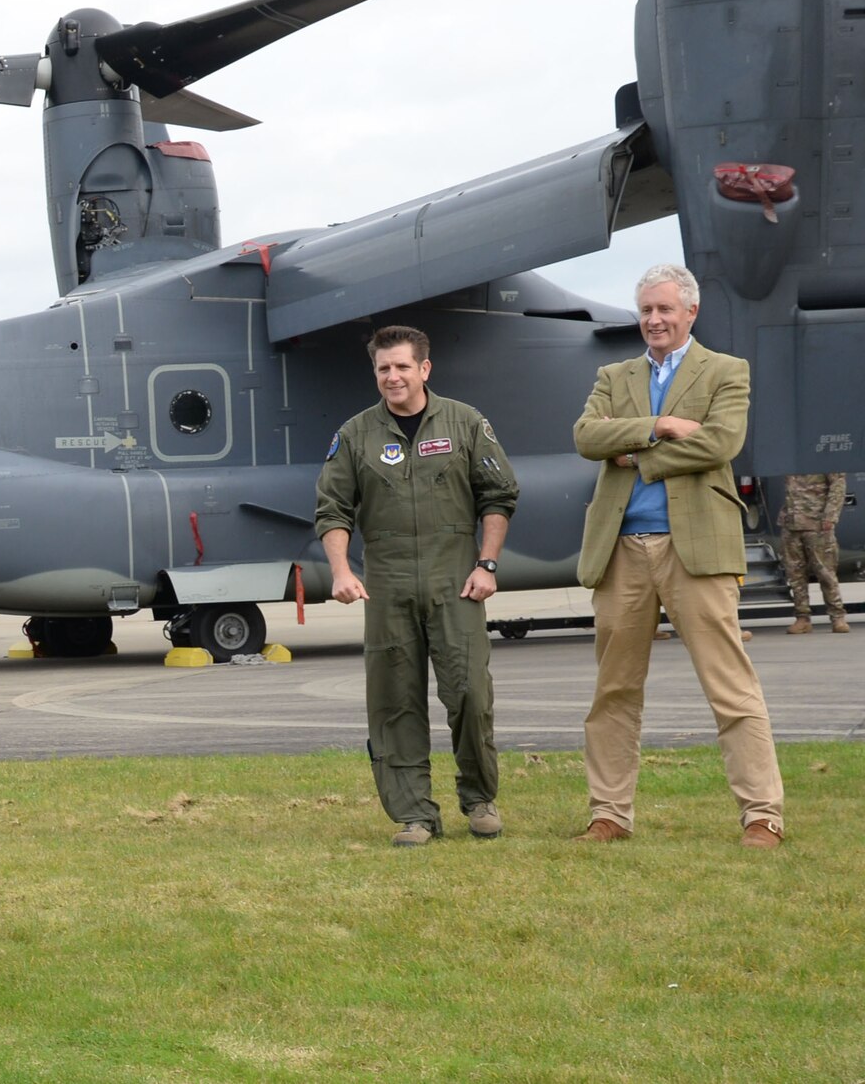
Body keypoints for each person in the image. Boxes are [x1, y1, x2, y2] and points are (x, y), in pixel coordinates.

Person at [572, 263, 785, 848]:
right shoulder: (613, 374)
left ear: (691, 312)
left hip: (697, 551)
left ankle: (763, 815)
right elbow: (588, 436)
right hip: (621, 552)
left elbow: (722, 442)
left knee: (730, 687)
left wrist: (636, 453)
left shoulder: (726, 371)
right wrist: (662, 425)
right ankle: (609, 814)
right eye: (646, 310)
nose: (654, 320)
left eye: (665, 309)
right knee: (613, 691)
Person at [314, 326, 519, 848]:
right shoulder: (356, 434)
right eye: (384, 368)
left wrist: (487, 565)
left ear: (424, 369)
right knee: (393, 700)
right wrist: (341, 570)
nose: (393, 377)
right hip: (388, 584)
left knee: (470, 693)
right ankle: (414, 815)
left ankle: (479, 799)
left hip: (456, 581)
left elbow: (498, 495)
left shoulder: (466, 422)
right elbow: (332, 508)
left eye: (402, 366)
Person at [779, 472, 850, 634]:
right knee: (795, 574)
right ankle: (802, 618)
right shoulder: (790, 458)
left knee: (825, 572)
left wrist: (830, 516)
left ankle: (837, 616)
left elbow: (838, 486)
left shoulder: (822, 455)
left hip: (817, 523)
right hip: (791, 523)